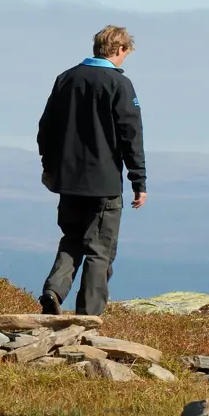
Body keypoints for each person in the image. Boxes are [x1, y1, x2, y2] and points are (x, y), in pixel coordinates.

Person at [36, 25, 147, 316]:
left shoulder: (66, 79)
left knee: (72, 239)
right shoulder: (119, 85)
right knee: (100, 250)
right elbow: (131, 134)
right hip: (105, 184)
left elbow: (46, 127)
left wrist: (50, 166)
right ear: (120, 50)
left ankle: (54, 290)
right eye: (126, 53)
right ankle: (88, 316)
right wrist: (139, 180)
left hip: (68, 181)